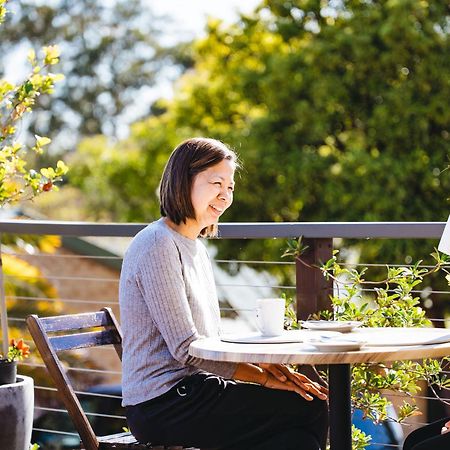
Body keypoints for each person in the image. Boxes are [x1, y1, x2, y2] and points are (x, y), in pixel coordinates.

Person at [119, 137, 329, 450]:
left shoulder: (196, 249)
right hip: (161, 404)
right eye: (216, 182)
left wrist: (265, 365)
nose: (225, 195)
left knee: (301, 420)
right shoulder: (157, 245)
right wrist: (260, 378)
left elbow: (211, 338)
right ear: (182, 181)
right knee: (306, 407)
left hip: (194, 390)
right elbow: (187, 349)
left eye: (230, 186)